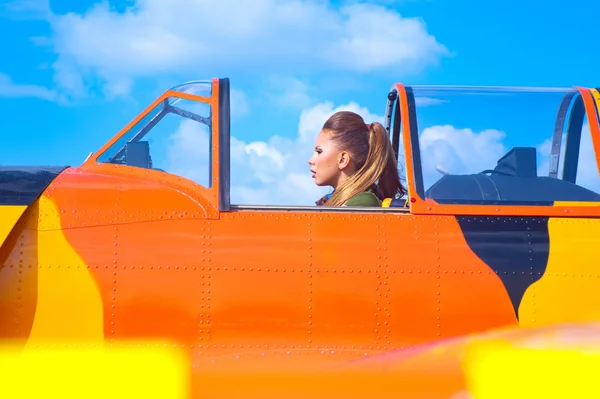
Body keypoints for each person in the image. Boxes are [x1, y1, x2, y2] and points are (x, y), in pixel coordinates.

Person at [308, 111, 405, 207]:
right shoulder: (334, 200)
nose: (310, 160)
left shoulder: (362, 202)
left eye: (319, 151)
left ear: (342, 160)